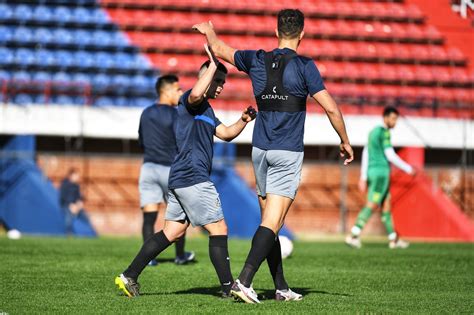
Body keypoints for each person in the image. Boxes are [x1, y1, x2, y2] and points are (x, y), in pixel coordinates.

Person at [193, 9, 354, 303]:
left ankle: (280, 287)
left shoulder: (257, 59)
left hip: (260, 151)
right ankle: (244, 281)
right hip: (287, 151)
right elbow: (331, 107)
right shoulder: (306, 66)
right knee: (273, 222)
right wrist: (344, 141)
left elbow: (218, 50)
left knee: (270, 221)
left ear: (277, 31)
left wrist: (209, 30)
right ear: (302, 34)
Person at [115, 44, 257, 298]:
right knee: (219, 229)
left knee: (173, 231)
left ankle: (128, 276)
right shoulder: (191, 100)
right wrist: (213, 63)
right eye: (219, 81)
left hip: (180, 177)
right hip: (193, 176)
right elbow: (194, 95)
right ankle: (228, 288)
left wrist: (243, 121)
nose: (222, 86)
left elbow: (224, 134)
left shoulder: (207, 111)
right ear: (208, 77)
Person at [138, 74, 194, 266]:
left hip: (148, 167)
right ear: (167, 90)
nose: (180, 93)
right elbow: (182, 141)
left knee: (149, 215)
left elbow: (141, 140)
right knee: (180, 214)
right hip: (169, 169)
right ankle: (180, 255)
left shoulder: (146, 112)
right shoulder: (175, 113)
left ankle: (150, 258)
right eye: (178, 89)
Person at [345, 106, 415, 249]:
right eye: (393, 119)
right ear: (385, 118)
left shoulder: (373, 132)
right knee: (372, 204)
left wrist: (364, 176)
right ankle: (353, 235)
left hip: (372, 172)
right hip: (381, 173)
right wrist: (408, 168)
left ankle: (393, 239)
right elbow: (390, 155)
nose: (395, 122)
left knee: (386, 207)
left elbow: (366, 152)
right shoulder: (384, 133)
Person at [59, 168, 84, 234]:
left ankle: (87, 233)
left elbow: (79, 197)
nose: (78, 177)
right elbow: (63, 197)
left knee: (84, 216)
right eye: (76, 175)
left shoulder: (76, 186)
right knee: (69, 216)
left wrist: (79, 203)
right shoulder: (65, 184)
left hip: (75, 206)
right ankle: (68, 232)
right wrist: (70, 205)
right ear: (71, 175)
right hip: (66, 206)